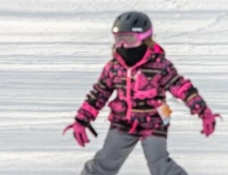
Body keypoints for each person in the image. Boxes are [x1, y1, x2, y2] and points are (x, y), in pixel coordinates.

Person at [64, 11, 218, 175]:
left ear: (144, 38)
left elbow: (182, 88)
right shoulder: (114, 67)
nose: (123, 45)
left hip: (153, 122)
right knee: (104, 163)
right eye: (119, 39)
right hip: (122, 122)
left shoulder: (160, 66)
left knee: (159, 164)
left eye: (129, 39)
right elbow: (98, 94)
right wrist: (82, 120)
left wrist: (203, 112)